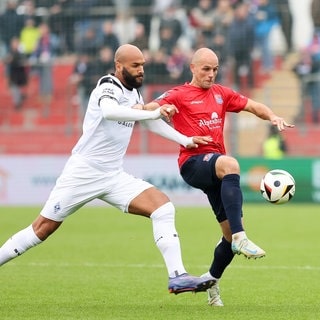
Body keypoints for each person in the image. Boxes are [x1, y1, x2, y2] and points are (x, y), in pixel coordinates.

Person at [0, 44, 214, 295]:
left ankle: (177, 276)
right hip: (83, 173)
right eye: (135, 65)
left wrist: (185, 140)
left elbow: (150, 123)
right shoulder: (107, 85)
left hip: (113, 176)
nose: (141, 70)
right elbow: (110, 112)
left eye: (142, 65)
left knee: (162, 207)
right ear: (118, 66)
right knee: (42, 229)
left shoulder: (134, 94)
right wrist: (152, 112)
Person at [142, 47, 294, 306]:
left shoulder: (221, 94)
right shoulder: (179, 94)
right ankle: (241, 237)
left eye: (215, 69)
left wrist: (272, 116)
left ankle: (211, 280)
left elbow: (252, 105)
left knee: (227, 234)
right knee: (230, 164)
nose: (211, 74)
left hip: (215, 167)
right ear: (192, 68)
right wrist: (158, 110)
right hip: (192, 163)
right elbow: (148, 107)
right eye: (206, 69)